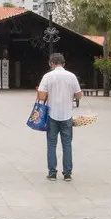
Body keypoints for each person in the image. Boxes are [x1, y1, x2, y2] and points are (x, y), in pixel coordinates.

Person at [36, 52, 82, 181]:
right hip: (67, 115)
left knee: (51, 143)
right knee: (67, 144)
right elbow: (79, 95)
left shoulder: (47, 77)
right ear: (63, 63)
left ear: (51, 63)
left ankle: (52, 173)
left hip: (52, 114)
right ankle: (67, 173)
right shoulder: (71, 76)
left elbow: (42, 96)